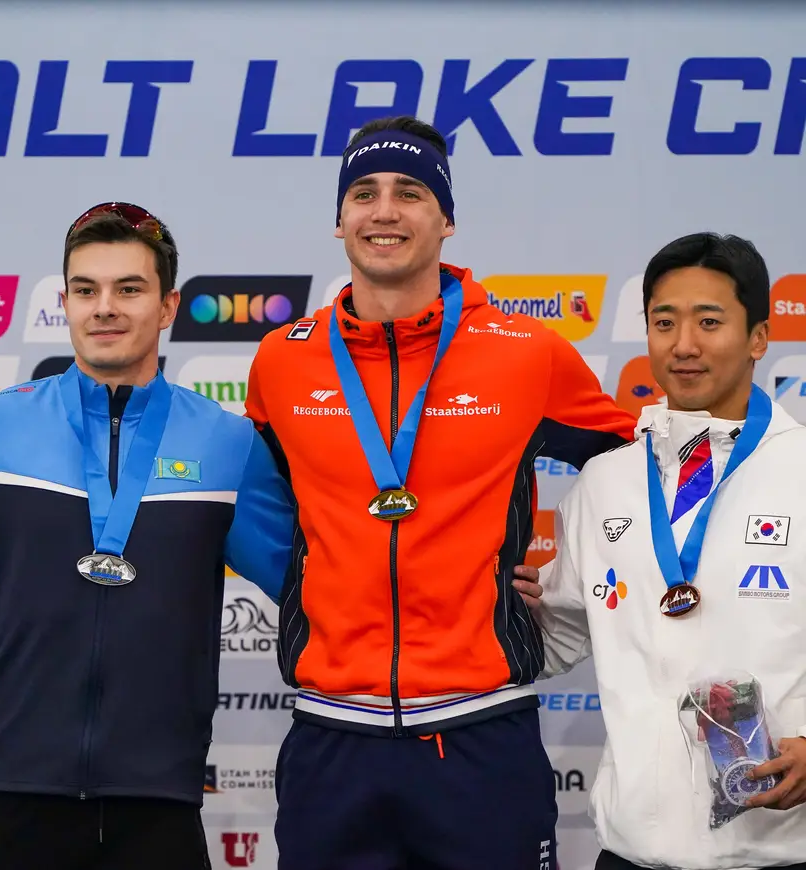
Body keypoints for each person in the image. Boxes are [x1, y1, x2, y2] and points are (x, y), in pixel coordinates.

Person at [244, 115, 636, 870]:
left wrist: (567, 584)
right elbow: (262, 505)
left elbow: (636, 469)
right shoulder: (281, 362)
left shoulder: (526, 353)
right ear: (339, 220)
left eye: (411, 193)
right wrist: (305, 589)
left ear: (447, 219)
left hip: (481, 737)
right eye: (363, 192)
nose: (384, 210)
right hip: (331, 737)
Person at [0, 202, 293, 870]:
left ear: (167, 307)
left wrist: (467, 586)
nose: (104, 307)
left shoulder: (227, 444)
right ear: (66, 303)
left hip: (154, 802)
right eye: (85, 289)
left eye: (129, 289)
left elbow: (317, 586)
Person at [514, 232, 806, 870]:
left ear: (759, 337)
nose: (684, 345)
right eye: (664, 322)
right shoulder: (606, 482)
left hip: (779, 849)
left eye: (710, 321)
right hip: (633, 853)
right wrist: (488, 604)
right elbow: (555, 641)